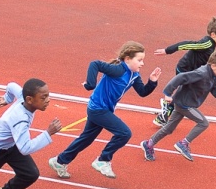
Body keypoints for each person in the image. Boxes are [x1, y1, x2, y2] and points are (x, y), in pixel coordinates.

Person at [50, 42, 162, 179]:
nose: (142, 63)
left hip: (102, 109)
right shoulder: (118, 70)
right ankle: (103, 160)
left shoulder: (134, 76)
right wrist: (90, 84)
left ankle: (60, 161)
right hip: (98, 109)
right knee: (124, 133)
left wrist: (152, 82)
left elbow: (143, 92)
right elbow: (94, 64)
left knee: (86, 139)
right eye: (139, 60)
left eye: (143, 60)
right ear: (127, 59)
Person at [140, 51, 216, 162]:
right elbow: (180, 77)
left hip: (183, 102)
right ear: (213, 66)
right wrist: (168, 93)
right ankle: (183, 143)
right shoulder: (202, 73)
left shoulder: (213, 77)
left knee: (169, 128)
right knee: (203, 123)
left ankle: (148, 144)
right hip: (184, 104)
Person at [152, 16, 216, 127]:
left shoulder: (211, 45)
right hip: (185, 69)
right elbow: (188, 44)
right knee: (186, 92)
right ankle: (167, 107)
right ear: (213, 34)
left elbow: (210, 57)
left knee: (185, 92)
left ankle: (165, 114)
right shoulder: (207, 43)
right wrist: (168, 50)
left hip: (193, 72)